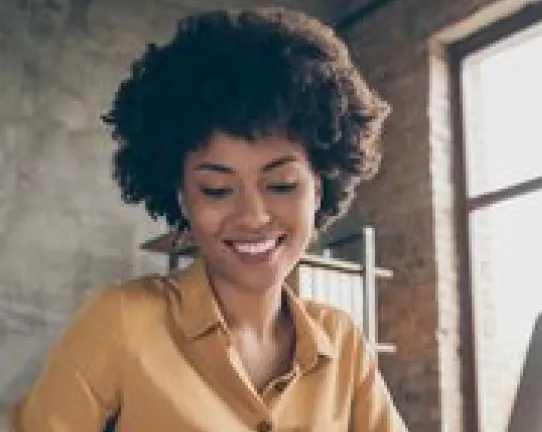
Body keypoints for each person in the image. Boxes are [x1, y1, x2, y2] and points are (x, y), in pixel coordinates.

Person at [12, 7, 406, 431]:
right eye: (217, 189)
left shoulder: (344, 343)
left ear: (321, 187)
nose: (253, 216)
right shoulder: (121, 321)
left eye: (282, 184)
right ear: (181, 198)